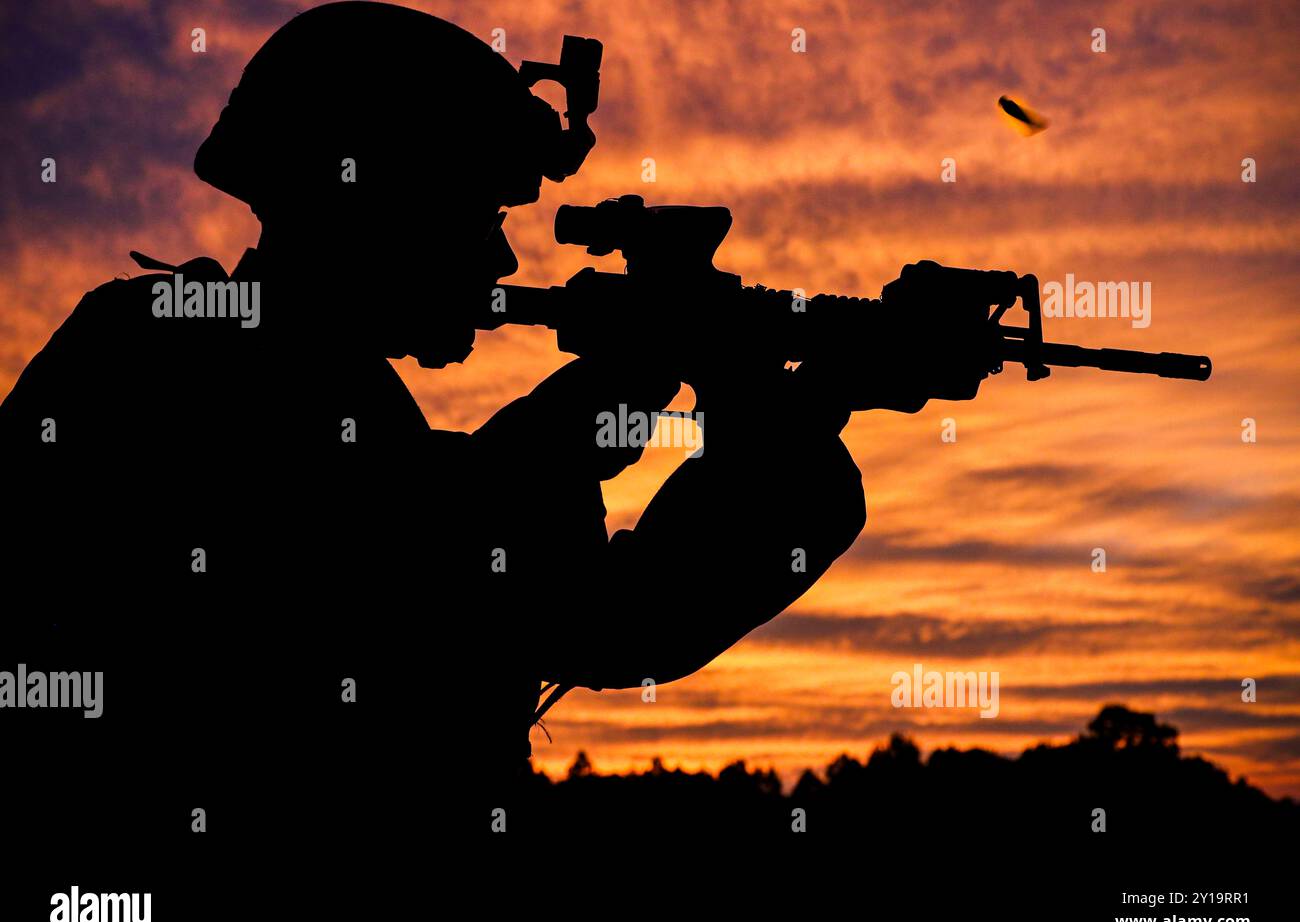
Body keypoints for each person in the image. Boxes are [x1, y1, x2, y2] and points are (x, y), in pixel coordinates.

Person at [0, 2, 985, 846]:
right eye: (479, 215)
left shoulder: (260, 371)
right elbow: (569, 598)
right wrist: (713, 378)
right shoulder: (176, 360)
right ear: (380, 202)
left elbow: (482, 523)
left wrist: (777, 391)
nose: (505, 260)